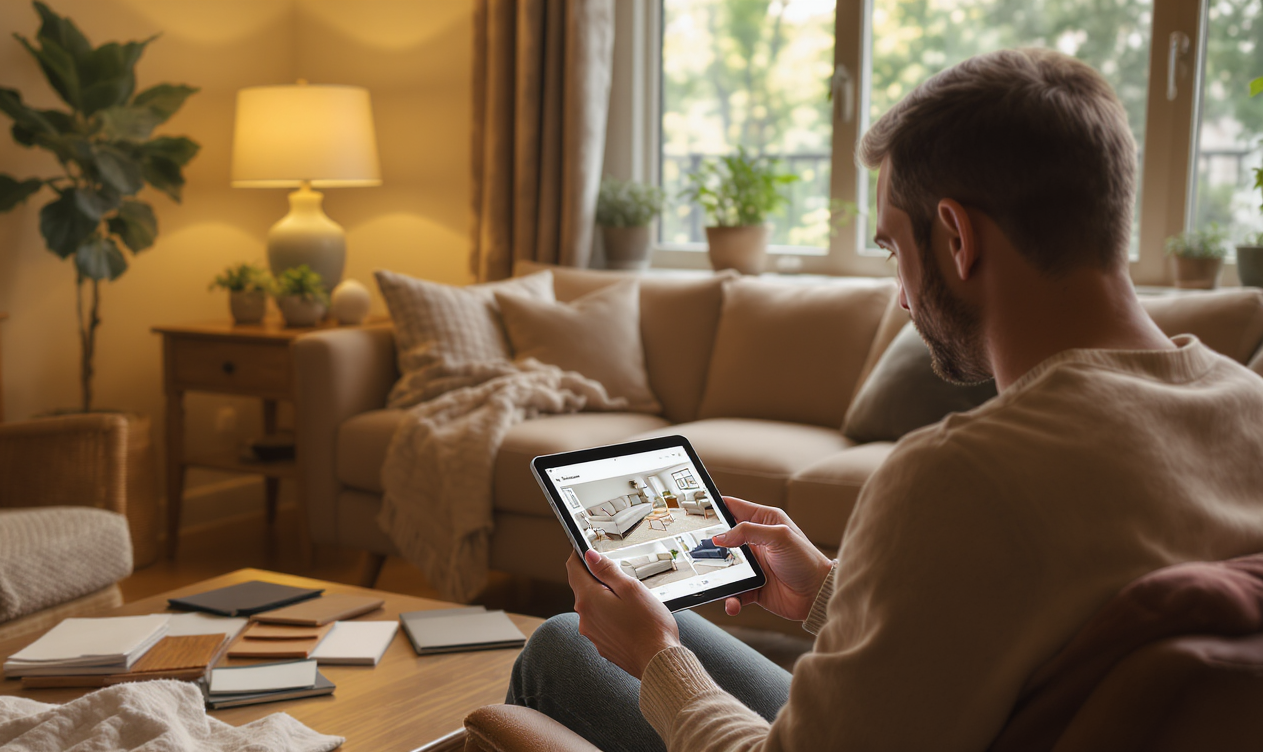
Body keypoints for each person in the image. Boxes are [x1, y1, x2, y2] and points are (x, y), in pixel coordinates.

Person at [505, 48, 1263, 751]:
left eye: (895, 248)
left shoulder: (960, 476)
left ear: (957, 237)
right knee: (612, 633)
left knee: (565, 647)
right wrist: (829, 592)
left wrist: (655, 659)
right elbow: (1025, 615)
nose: (901, 296)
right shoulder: (1247, 406)